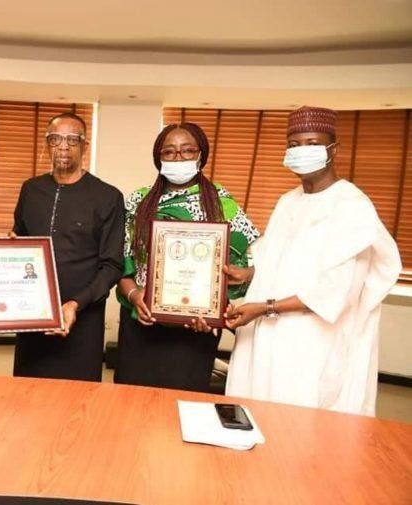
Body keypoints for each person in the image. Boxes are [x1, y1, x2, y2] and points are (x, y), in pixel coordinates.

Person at [225, 106, 401, 416]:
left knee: (299, 429)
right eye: (293, 145)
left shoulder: (351, 206)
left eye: (311, 143)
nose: (301, 151)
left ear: (334, 148)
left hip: (310, 344)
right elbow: (277, 262)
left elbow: (333, 292)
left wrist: (264, 308)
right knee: (255, 419)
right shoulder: (288, 201)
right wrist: (247, 273)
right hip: (266, 338)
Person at [115, 122, 259, 392]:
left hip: (195, 331)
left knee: (183, 410)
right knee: (132, 405)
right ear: (158, 158)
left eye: (187, 151)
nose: (178, 158)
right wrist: (135, 296)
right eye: (169, 152)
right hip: (142, 324)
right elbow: (122, 263)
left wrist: (214, 306)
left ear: (201, 155)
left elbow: (248, 265)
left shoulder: (221, 203)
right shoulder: (137, 201)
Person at [11, 112, 124, 382]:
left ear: (84, 146)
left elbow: (112, 266)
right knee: (27, 396)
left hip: (82, 319)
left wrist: (75, 304)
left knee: (76, 404)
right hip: (32, 315)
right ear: (47, 143)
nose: (63, 146)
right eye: (56, 139)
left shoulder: (108, 197)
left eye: (72, 139)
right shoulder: (31, 189)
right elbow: (21, 242)